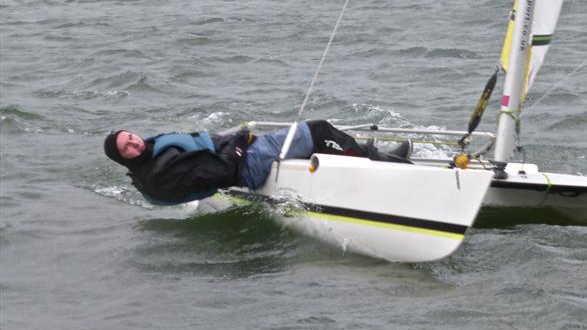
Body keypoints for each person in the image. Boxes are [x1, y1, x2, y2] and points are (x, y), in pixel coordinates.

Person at [103, 120, 410, 205]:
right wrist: (239, 141)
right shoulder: (163, 169)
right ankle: (383, 163)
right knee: (317, 130)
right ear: (124, 159)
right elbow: (224, 169)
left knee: (309, 140)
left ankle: (370, 152)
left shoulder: (153, 160)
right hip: (248, 165)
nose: (134, 142)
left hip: (244, 160)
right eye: (127, 147)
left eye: (131, 137)